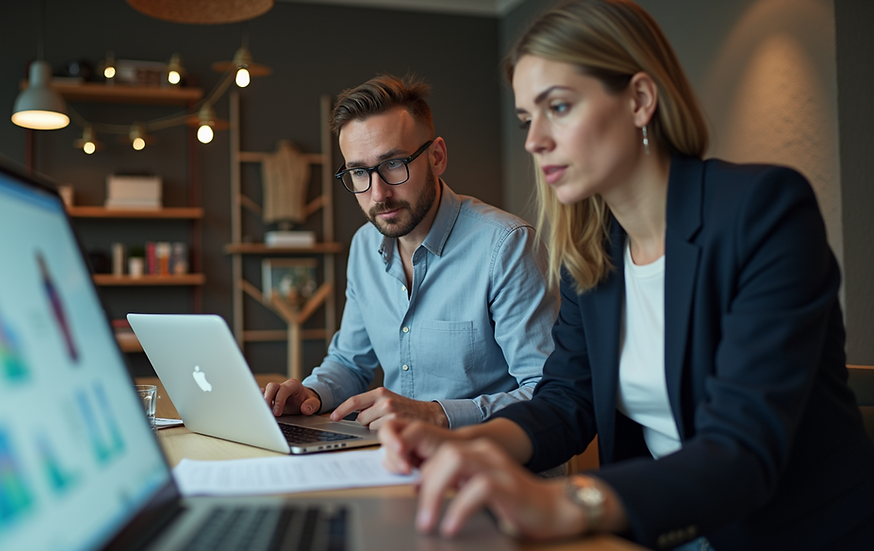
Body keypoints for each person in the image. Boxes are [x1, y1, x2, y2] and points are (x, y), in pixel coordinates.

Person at [378, 1, 874, 549]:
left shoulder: (762, 210)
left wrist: (569, 501)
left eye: (558, 107)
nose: (533, 140)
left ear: (639, 99)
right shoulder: (592, 248)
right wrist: (469, 445)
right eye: (526, 119)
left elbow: (742, 448)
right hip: (661, 528)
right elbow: (567, 401)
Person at [263, 75, 558, 430]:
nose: (378, 194)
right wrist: (310, 394)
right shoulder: (363, 246)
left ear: (436, 157)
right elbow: (350, 363)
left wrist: (436, 414)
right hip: (398, 461)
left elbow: (546, 393)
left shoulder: (506, 246)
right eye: (359, 172)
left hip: (493, 466)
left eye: (393, 164)